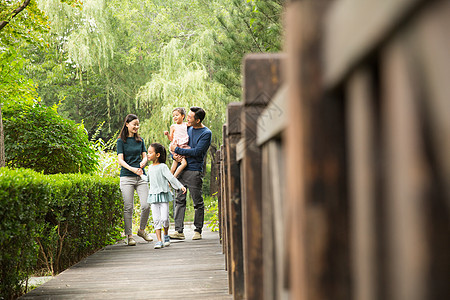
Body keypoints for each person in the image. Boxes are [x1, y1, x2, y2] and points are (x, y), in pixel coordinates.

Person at [169, 107, 212, 240]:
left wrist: (177, 150)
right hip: (181, 169)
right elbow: (177, 146)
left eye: (190, 117)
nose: (187, 119)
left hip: (194, 170)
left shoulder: (206, 133)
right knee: (179, 200)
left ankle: (197, 230)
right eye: (187, 116)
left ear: (198, 120)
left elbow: (197, 152)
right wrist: (174, 155)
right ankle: (178, 231)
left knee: (197, 201)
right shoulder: (186, 128)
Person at [117, 114, 153, 246]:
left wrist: (143, 163)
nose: (136, 127)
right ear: (127, 124)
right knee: (128, 207)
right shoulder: (121, 141)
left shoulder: (140, 140)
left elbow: (145, 156)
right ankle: (129, 235)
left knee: (146, 205)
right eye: (134, 124)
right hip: (126, 177)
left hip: (140, 177)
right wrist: (133, 169)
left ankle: (142, 230)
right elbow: (120, 160)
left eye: (138, 124)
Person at [146, 143, 187, 249]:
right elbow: (146, 180)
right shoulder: (149, 168)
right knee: (156, 219)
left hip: (163, 195)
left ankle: (166, 235)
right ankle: (159, 240)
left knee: (164, 219)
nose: (148, 155)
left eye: (150, 152)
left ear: (158, 155)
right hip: (153, 196)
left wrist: (180, 186)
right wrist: (139, 174)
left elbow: (171, 178)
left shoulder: (163, 167)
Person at [164, 107, 190, 178]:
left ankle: (171, 180)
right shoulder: (173, 126)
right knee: (181, 164)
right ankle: (172, 179)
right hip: (176, 146)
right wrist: (167, 135)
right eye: (173, 116)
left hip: (183, 146)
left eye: (177, 115)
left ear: (183, 116)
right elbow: (171, 139)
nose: (175, 117)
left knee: (178, 164)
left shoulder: (186, 125)